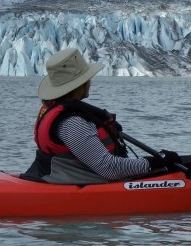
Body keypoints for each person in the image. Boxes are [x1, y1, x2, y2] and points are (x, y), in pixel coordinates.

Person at [21, 48, 181, 184]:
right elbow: (109, 168)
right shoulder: (72, 123)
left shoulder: (56, 110)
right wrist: (155, 161)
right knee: (170, 161)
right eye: (87, 78)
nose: (90, 82)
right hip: (77, 182)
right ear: (80, 84)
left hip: (58, 176)